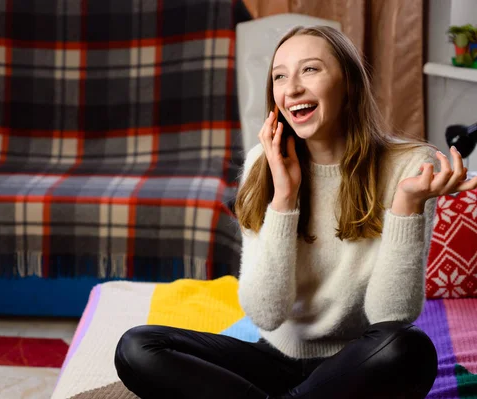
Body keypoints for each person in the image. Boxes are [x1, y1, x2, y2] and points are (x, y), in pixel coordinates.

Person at [113, 26, 477, 399]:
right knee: (137, 347)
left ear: (349, 84)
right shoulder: (262, 163)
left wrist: (406, 207)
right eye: (280, 76)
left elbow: (390, 318)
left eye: (310, 70)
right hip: (273, 359)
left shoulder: (409, 167)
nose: (292, 88)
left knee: (408, 347)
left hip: (357, 367)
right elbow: (266, 314)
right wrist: (284, 196)